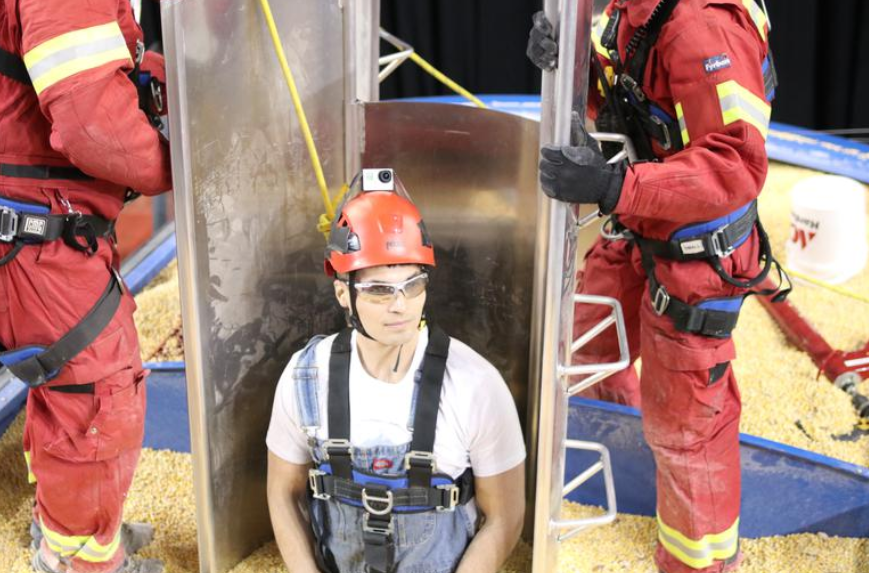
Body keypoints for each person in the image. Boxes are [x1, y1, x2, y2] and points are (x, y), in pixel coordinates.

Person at [527, 1, 787, 572]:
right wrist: (568, 65)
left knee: (687, 427)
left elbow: (737, 164)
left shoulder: (703, 25)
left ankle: (700, 561)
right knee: (587, 344)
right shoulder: (630, 9)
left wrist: (615, 187)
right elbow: (630, 102)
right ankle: (624, 463)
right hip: (641, 220)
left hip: (695, 251)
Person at [266, 169, 526, 573]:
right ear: (343, 293)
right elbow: (283, 493)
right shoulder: (306, 378)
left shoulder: (475, 385)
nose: (400, 305)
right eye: (379, 290)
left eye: (413, 285)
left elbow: (505, 517)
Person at [0, 0, 172, 571]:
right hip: (39, 235)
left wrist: (148, 76)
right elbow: (91, 123)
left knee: (62, 382)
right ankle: (82, 558)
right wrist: (177, 163)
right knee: (95, 392)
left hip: (41, 224)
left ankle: (63, 523)